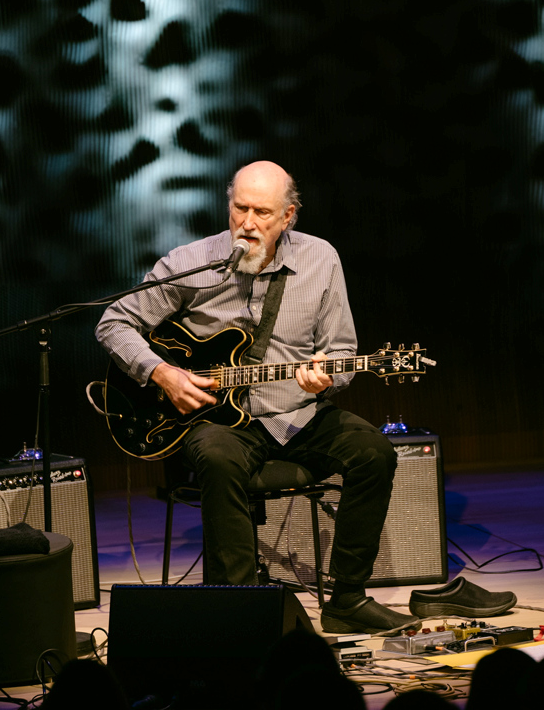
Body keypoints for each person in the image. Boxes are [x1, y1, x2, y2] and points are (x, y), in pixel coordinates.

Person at [96, 160, 416, 633]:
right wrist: (163, 374)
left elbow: (343, 351)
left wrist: (327, 377)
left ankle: (346, 598)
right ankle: (240, 614)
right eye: (239, 208)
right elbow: (113, 322)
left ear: (288, 217)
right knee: (218, 458)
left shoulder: (320, 259)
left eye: (262, 213)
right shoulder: (189, 263)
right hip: (218, 421)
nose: (247, 223)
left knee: (374, 452)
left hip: (296, 412)